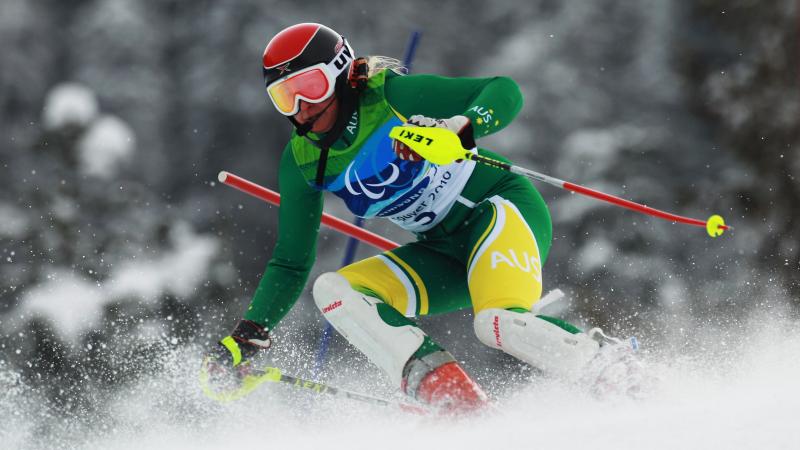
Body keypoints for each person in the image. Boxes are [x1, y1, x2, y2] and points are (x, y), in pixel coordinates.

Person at [203, 22, 638, 412]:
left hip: (499, 210)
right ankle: (450, 397)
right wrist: (247, 336)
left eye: (310, 87)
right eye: (284, 97)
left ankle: (616, 372)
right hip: (440, 251)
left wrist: (460, 128)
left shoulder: (392, 97)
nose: (301, 107)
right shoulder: (302, 160)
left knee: (497, 323)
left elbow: (505, 90)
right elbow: (291, 261)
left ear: (339, 73)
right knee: (334, 290)